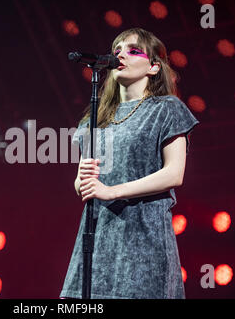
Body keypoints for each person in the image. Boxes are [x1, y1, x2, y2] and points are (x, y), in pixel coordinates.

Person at [60, 27, 200, 299]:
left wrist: (112, 191)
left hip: (143, 235)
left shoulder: (166, 109)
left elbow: (174, 173)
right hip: (98, 235)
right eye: (117, 51)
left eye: (134, 51)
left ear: (154, 68)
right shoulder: (94, 120)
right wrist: (80, 180)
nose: (122, 55)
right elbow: (83, 186)